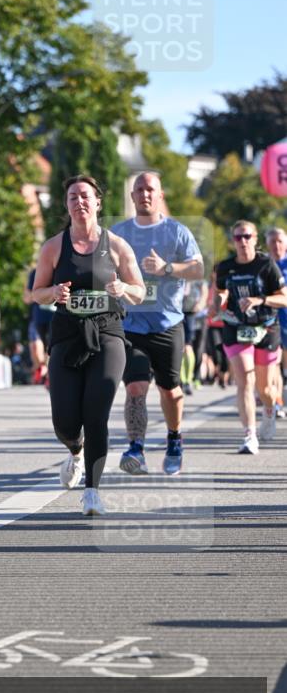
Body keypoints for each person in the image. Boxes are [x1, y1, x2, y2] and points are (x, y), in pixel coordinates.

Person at [32, 176, 145, 516]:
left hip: (108, 333)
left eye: (85, 196)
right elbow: (36, 293)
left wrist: (123, 288)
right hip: (67, 334)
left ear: (97, 202)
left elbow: (140, 291)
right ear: (66, 205)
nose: (79, 202)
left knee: (96, 414)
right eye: (72, 197)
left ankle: (92, 491)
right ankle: (75, 450)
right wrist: (53, 293)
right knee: (65, 421)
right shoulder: (54, 247)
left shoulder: (118, 246)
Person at [112, 171, 204, 476]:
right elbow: (101, 267)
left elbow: (198, 269)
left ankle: (174, 439)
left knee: (170, 391)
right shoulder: (118, 233)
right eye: (139, 189)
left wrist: (167, 268)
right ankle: (135, 448)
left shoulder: (177, 231)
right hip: (131, 324)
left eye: (150, 189)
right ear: (132, 196)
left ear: (160, 195)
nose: (145, 194)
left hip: (167, 323)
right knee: (135, 387)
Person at [215, 220, 287, 453]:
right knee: (245, 381)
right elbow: (221, 291)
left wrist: (260, 300)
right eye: (238, 237)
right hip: (236, 326)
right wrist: (219, 301)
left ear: (255, 239)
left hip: (266, 327)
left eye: (247, 236)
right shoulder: (225, 266)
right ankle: (249, 436)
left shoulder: (266, 265)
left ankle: (270, 410)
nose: (243, 241)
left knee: (265, 389)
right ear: (233, 241)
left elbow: (284, 298)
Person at [265, 227, 287, 418]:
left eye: (280, 241)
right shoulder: (263, 265)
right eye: (273, 241)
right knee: (274, 365)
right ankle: (278, 403)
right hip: (270, 321)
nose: (277, 245)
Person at [23, 268, 54, 384]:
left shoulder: (60, 268)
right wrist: (43, 294)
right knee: (36, 346)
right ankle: (41, 368)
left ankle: (49, 374)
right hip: (38, 316)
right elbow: (27, 297)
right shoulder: (35, 272)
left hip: (56, 315)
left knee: (51, 346)